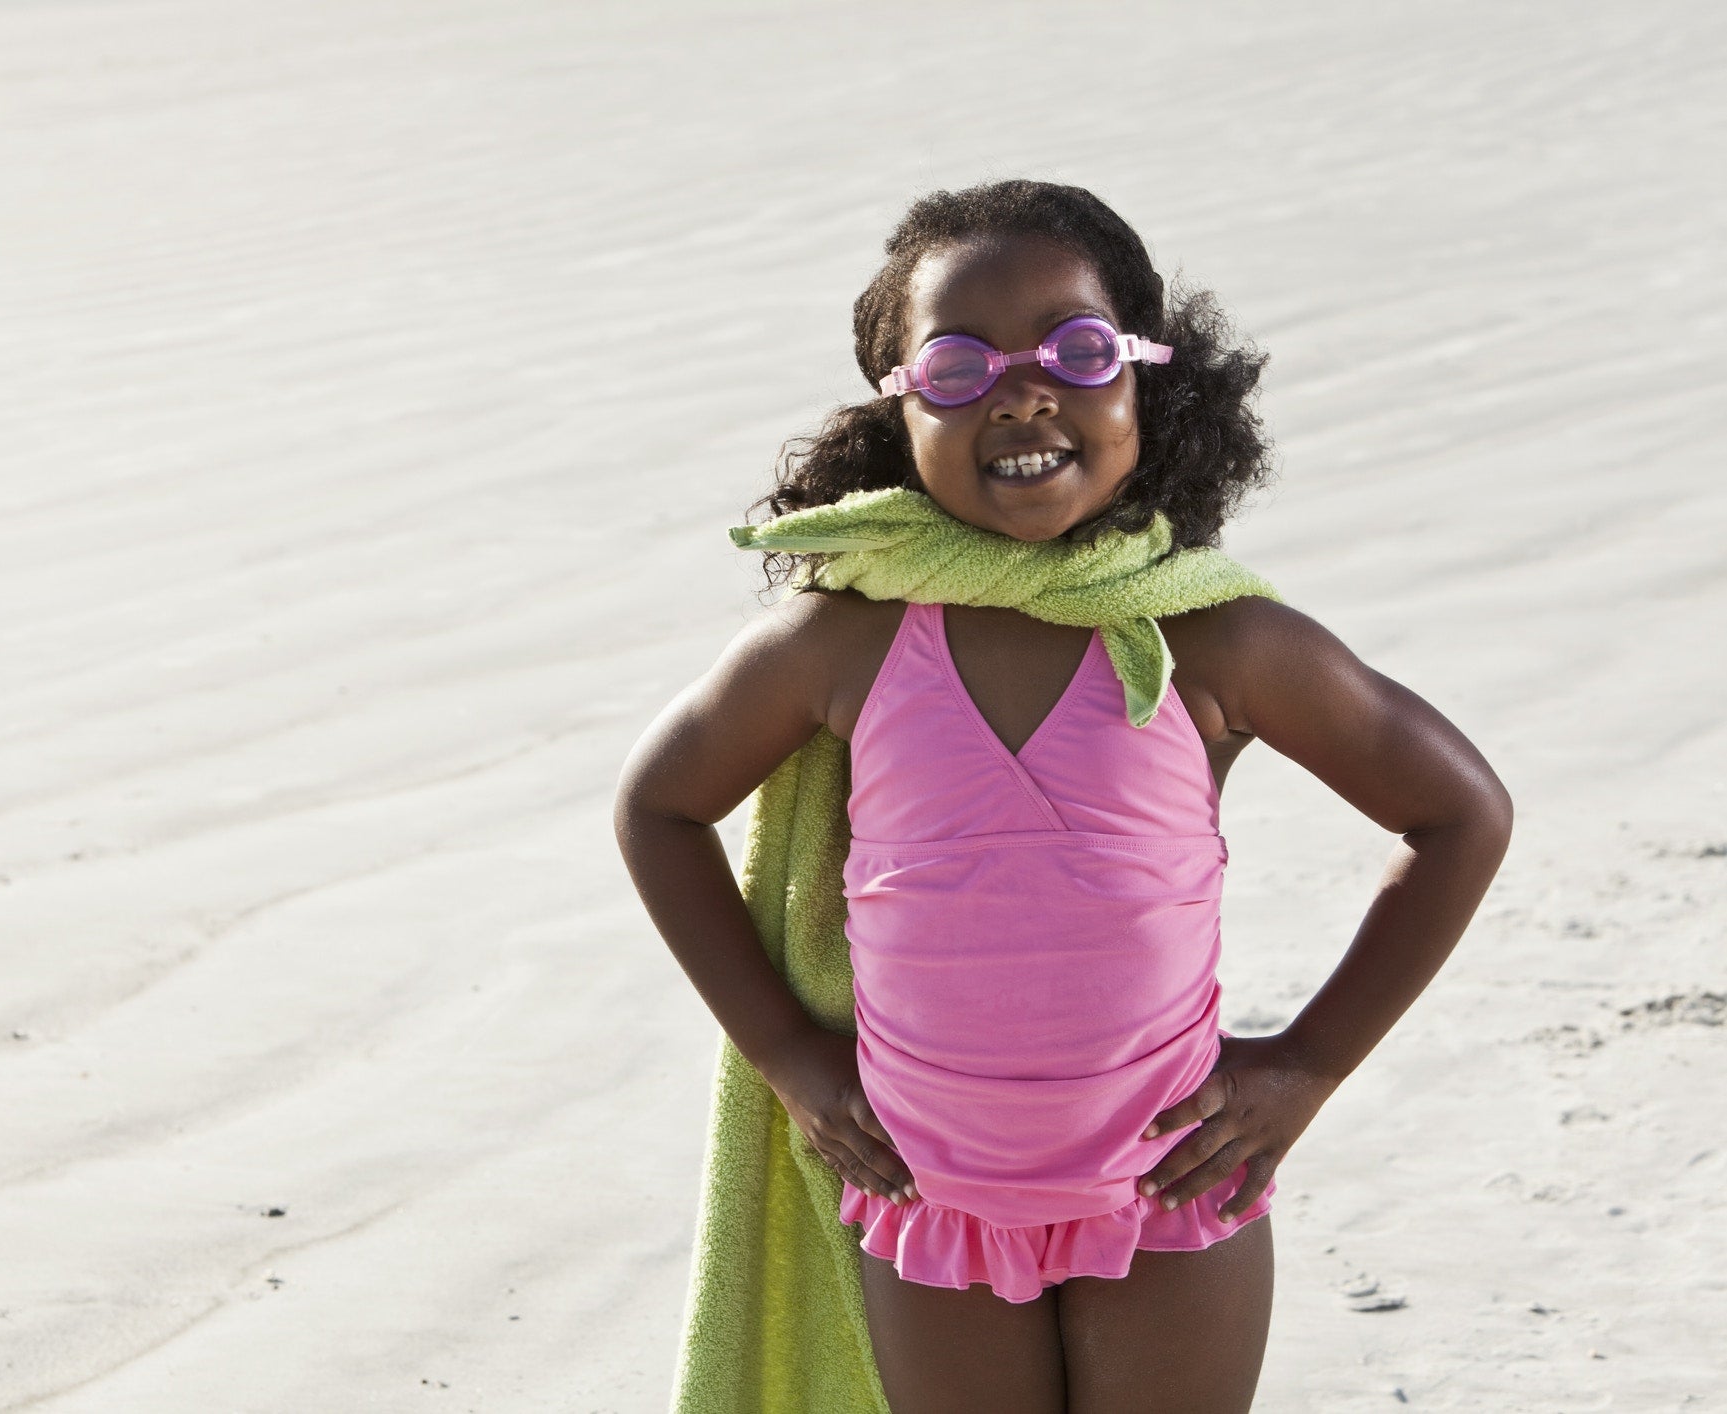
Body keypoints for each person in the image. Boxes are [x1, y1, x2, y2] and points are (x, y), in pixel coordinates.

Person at [613, 178, 1513, 1414]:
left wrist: (1307, 1065)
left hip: (1168, 1192)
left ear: (1146, 375)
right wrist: (788, 1057)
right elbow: (659, 809)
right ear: (899, 407)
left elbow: (1462, 814)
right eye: (958, 367)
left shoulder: (1214, 640)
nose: (1023, 393)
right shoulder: (842, 642)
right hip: (935, 1203)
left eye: (1076, 350)